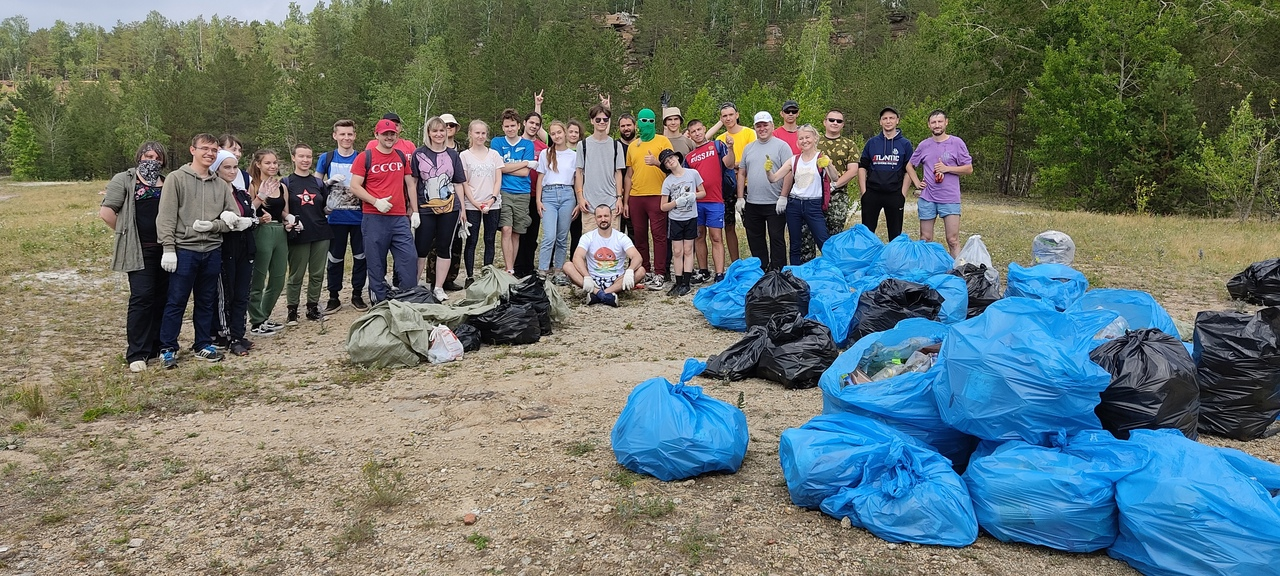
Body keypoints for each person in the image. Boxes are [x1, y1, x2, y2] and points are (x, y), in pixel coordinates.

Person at [155, 133, 242, 368]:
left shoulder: (220, 184)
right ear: (192, 150)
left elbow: (233, 220)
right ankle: (168, 348)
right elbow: (166, 217)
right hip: (184, 251)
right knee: (176, 300)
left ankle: (202, 344)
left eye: (214, 150)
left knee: (206, 300)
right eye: (205, 148)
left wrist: (214, 225)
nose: (209, 153)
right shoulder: (176, 179)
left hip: (212, 250)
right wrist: (168, 248)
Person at [100, 142, 170, 372]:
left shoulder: (167, 181)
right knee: (142, 298)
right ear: (139, 156)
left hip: (167, 249)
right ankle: (137, 353)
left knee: (163, 298)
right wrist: (126, 234)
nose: (152, 160)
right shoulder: (125, 179)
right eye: (148, 155)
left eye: (157, 157)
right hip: (140, 249)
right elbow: (107, 212)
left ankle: (158, 346)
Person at [350, 118, 419, 303]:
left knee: (409, 259)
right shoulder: (365, 157)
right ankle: (379, 302)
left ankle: (408, 300)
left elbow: (410, 184)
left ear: (397, 135)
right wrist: (375, 201)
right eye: (385, 134)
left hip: (399, 217)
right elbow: (355, 186)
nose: (389, 137)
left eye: (392, 134)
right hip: (374, 217)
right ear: (377, 135)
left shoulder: (401, 156)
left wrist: (415, 210)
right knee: (376, 263)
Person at [410, 116, 468, 301]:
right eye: (435, 130)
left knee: (445, 247)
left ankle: (438, 287)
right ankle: (414, 286)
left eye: (441, 130)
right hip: (425, 209)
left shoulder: (453, 155)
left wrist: (463, 211)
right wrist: (414, 210)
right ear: (428, 132)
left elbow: (458, 183)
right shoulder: (419, 154)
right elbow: (413, 183)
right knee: (421, 247)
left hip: (450, 209)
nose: (439, 134)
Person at [317, 119, 368, 313]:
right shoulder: (326, 158)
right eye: (342, 134)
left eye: (350, 134)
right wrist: (327, 183)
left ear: (354, 135)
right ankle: (333, 297)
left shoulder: (362, 158)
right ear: (335, 135)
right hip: (334, 219)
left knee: (360, 257)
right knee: (335, 258)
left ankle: (357, 294)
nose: (346, 138)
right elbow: (315, 186)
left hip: (358, 217)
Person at [908, 109, 973, 257]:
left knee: (952, 239)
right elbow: (910, 165)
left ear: (946, 123)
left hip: (949, 198)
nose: (937, 125)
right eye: (933, 122)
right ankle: (927, 270)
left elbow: (969, 169)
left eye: (939, 122)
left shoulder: (957, 143)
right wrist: (917, 182)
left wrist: (947, 169)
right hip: (927, 198)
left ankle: (957, 271)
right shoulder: (924, 145)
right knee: (925, 239)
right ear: (929, 125)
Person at [211, 150, 257, 357]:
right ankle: (226, 335)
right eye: (226, 167)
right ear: (217, 169)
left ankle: (239, 332)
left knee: (242, 293)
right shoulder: (213, 193)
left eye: (234, 167)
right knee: (225, 294)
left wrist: (251, 221)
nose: (231, 171)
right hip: (224, 248)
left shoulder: (240, 192)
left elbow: (252, 216)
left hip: (245, 247)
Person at [767, 125, 835, 265]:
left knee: (823, 241)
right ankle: (794, 274)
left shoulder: (821, 158)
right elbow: (773, 179)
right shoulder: (794, 160)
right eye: (801, 138)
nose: (804, 141)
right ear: (798, 142)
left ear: (815, 138)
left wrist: (828, 165)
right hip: (794, 204)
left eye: (807, 137)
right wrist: (768, 170)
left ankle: (833, 271)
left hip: (814, 205)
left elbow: (835, 178)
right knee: (795, 243)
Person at [623, 108, 674, 291]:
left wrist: (656, 162)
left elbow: (672, 167)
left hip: (658, 195)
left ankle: (660, 273)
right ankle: (645, 269)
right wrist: (626, 200)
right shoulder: (632, 146)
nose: (647, 124)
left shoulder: (663, 141)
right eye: (643, 120)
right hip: (636, 197)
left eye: (651, 121)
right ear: (638, 123)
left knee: (659, 236)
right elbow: (629, 174)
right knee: (639, 235)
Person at [282, 144, 333, 323]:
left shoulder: (318, 182)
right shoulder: (286, 182)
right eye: (301, 156)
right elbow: (282, 209)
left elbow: (325, 207)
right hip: (299, 234)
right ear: (293, 158)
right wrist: (288, 221)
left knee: (317, 273)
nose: (305, 160)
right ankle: (292, 310)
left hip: (321, 231)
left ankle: (312, 308)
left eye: (309, 157)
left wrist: (332, 206)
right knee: (296, 274)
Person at [736, 111, 792, 271]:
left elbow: (789, 171)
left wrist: (783, 196)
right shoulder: (748, 148)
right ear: (755, 128)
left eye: (765, 125)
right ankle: (761, 270)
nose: (762, 128)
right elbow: (741, 172)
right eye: (758, 126)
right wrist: (740, 197)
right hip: (753, 203)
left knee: (776, 238)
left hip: (775, 203)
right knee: (755, 239)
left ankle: (779, 271)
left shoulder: (782, 146)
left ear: (772, 125)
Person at [562, 204, 646, 307]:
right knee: (567, 266)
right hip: (593, 280)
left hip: (616, 280)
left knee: (641, 271)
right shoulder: (588, 237)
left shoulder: (621, 237)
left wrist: (630, 270)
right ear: (595, 219)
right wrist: (587, 276)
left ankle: (598, 294)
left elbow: (637, 257)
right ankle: (605, 295)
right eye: (599, 217)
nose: (603, 219)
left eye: (606, 216)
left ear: (611, 217)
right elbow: (577, 257)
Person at [247, 149, 293, 336]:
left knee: (278, 278)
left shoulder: (282, 187)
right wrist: (261, 196)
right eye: (268, 163)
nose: (273, 166)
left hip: (279, 232)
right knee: (258, 278)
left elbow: (284, 212)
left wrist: (290, 221)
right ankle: (256, 321)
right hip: (261, 231)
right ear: (258, 164)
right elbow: (248, 210)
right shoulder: (252, 185)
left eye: (275, 162)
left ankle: (263, 316)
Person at [684, 119, 734, 283]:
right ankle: (703, 270)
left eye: (699, 129)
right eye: (693, 131)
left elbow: (730, 164)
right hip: (696, 202)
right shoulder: (689, 157)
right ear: (689, 135)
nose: (697, 133)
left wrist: (731, 147)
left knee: (716, 237)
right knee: (699, 236)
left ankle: (719, 273)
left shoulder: (717, 146)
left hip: (715, 200)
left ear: (704, 129)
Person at [858, 107, 914, 241]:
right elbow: (862, 167)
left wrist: (903, 193)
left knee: (895, 234)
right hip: (872, 193)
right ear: (880, 122)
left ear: (897, 121)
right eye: (885, 118)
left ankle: (893, 260)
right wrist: (864, 192)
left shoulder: (905, 144)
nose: (888, 121)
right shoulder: (872, 143)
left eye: (891, 118)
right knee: (867, 233)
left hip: (894, 193)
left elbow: (909, 170)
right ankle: (867, 260)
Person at [492, 108, 537, 274]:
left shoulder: (527, 144)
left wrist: (508, 167)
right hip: (503, 191)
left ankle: (512, 268)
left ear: (519, 125)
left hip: (523, 193)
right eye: (506, 126)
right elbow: (499, 167)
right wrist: (525, 163)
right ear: (502, 127)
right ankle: (508, 268)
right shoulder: (497, 143)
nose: (510, 129)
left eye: (512, 125)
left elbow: (525, 173)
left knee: (517, 232)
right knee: (506, 229)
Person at [459, 119, 503, 285]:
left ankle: (487, 274)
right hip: (472, 204)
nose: (480, 136)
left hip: (493, 203)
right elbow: (464, 182)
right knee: (472, 240)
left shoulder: (494, 155)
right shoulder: (464, 156)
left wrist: (492, 199)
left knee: (490, 239)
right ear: (470, 133)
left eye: (483, 133)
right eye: (477, 133)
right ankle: (470, 276)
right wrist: (475, 202)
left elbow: (498, 179)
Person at [708, 102, 753, 263]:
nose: (728, 118)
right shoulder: (720, 139)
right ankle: (735, 262)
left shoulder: (749, 133)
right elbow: (720, 162)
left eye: (730, 114)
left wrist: (735, 165)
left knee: (751, 225)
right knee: (729, 225)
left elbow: (752, 158)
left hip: (747, 185)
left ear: (737, 115)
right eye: (724, 116)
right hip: (727, 187)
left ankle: (755, 259)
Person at [536, 121, 578, 284]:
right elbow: (540, 178)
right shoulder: (545, 154)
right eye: (553, 134)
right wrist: (538, 201)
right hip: (549, 195)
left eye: (559, 132)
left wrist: (578, 201)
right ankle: (543, 270)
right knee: (549, 235)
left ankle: (559, 270)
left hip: (568, 194)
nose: (556, 136)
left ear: (565, 133)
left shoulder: (573, 155)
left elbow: (577, 179)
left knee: (562, 236)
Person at [658, 149, 705, 296]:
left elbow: (703, 192)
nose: (670, 161)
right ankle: (677, 282)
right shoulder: (668, 181)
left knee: (688, 249)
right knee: (677, 251)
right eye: (666, 161)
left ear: (677, 158)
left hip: (691, 217)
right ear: (666, 166)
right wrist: (676, 202)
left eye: (671, 157)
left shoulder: (693, 174)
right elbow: (663, 206)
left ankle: (686, 282)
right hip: (676, 219)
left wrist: (693, 196)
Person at [514, 110, 548, 278]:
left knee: (533, 233)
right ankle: (517, 266)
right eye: (531, 123)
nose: (534, 126)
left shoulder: (544, 148)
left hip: (536, 194)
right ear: (524, 123)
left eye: (537, 124)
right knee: (519, 231)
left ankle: (528, 266)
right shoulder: (517, 143)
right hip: (519, 193)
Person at [819, 108, 861, 237]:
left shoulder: (849, 145)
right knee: (809, 236)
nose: (835, 123)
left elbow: (853, 170)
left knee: (835, 235)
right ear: (824, 122)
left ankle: (833, 258)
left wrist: (834, 185)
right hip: (815, 194)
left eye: (839, 121)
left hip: (838, 195)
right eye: (831, 120)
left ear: (842, 125)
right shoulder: (814, 142)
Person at [564, 118, 586, 259]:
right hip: (562, 190)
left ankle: (574, 260)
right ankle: (554, 264)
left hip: (578, 189)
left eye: (576, 132)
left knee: (576, 230)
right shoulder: (556, 147)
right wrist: (538, 106)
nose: (573, 134)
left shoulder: (583, 149)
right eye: (570, 131)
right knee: (559, 230)